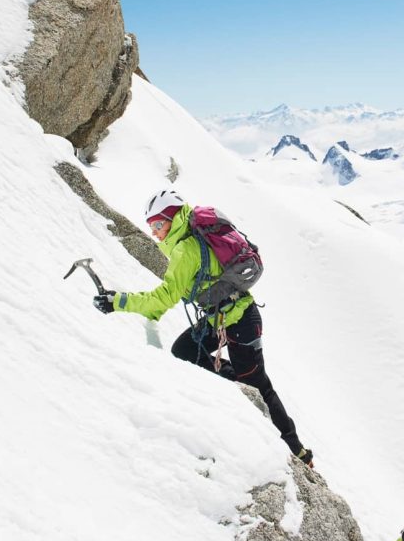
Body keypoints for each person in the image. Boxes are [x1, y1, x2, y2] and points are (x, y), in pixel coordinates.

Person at [93, 189, 313, 466]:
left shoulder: (186, 250)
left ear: (173, 219)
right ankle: (236, 386)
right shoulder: (192, 239)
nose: (154, 232)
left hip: (241, 322)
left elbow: (161, 300)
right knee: (184, 350)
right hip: (220, 318)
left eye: (158, 224)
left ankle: (297, 450)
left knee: (260, 388)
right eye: (151, 226)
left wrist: (118, 302)